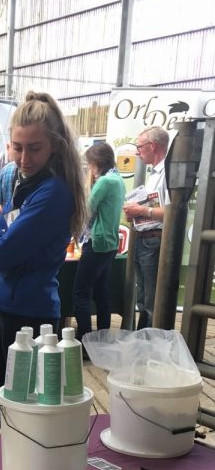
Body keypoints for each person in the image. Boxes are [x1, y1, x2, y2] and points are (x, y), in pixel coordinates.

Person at [0, 91, 87, 438]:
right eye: (16, 147)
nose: (23, 158)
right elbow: (6, 238)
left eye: (34, 148)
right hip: (16, 306)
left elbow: (2, 252)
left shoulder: (51, 193)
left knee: (11, 402)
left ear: (55, 145)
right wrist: (3, 223)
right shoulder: (29, 184)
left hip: (29, 311)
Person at [72, 142, 126, 340]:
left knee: (80, 292)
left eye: (90, 165)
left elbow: (87, 208)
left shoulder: (105, 182)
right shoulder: (118, 179)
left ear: (97, 162)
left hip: (97, 242)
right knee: (102, 292)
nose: (90, 169)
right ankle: (102, 336)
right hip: (110, 243)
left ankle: (85, 338)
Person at [122, 126, 170, 329]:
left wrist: (141, 211)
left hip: (154, 239)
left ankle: (149, 339)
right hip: (144, 238)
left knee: (151, 297)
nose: (137, 151)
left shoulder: (167, 173)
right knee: (142, 295)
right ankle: (143, 337)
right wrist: (135, 213)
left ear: (153, 146)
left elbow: (172, 212)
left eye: (140, 146)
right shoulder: (154, 173)